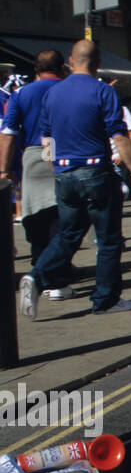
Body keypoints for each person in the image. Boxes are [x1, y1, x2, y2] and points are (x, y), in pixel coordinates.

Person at [17, 41, 131, 318]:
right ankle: (105, 300)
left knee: (67, 235)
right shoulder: (103, 91)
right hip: (96, 171)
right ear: (97, 63)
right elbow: (119, 136)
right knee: (109, 240)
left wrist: (53, 166)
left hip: (64, 173)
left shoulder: (52, 93)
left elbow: (46, 136)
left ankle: (36, 277)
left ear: (71, 62)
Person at [0, 50, 75, 300]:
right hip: (64, 154)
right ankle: (57, 280)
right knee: (60, 218)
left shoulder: (21, 93)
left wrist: (4, 168)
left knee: (34, 217)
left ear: (35, 69)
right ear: (62, 68)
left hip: (33, 156)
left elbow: (9, 131)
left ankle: (40, 270)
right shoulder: (67, 89)